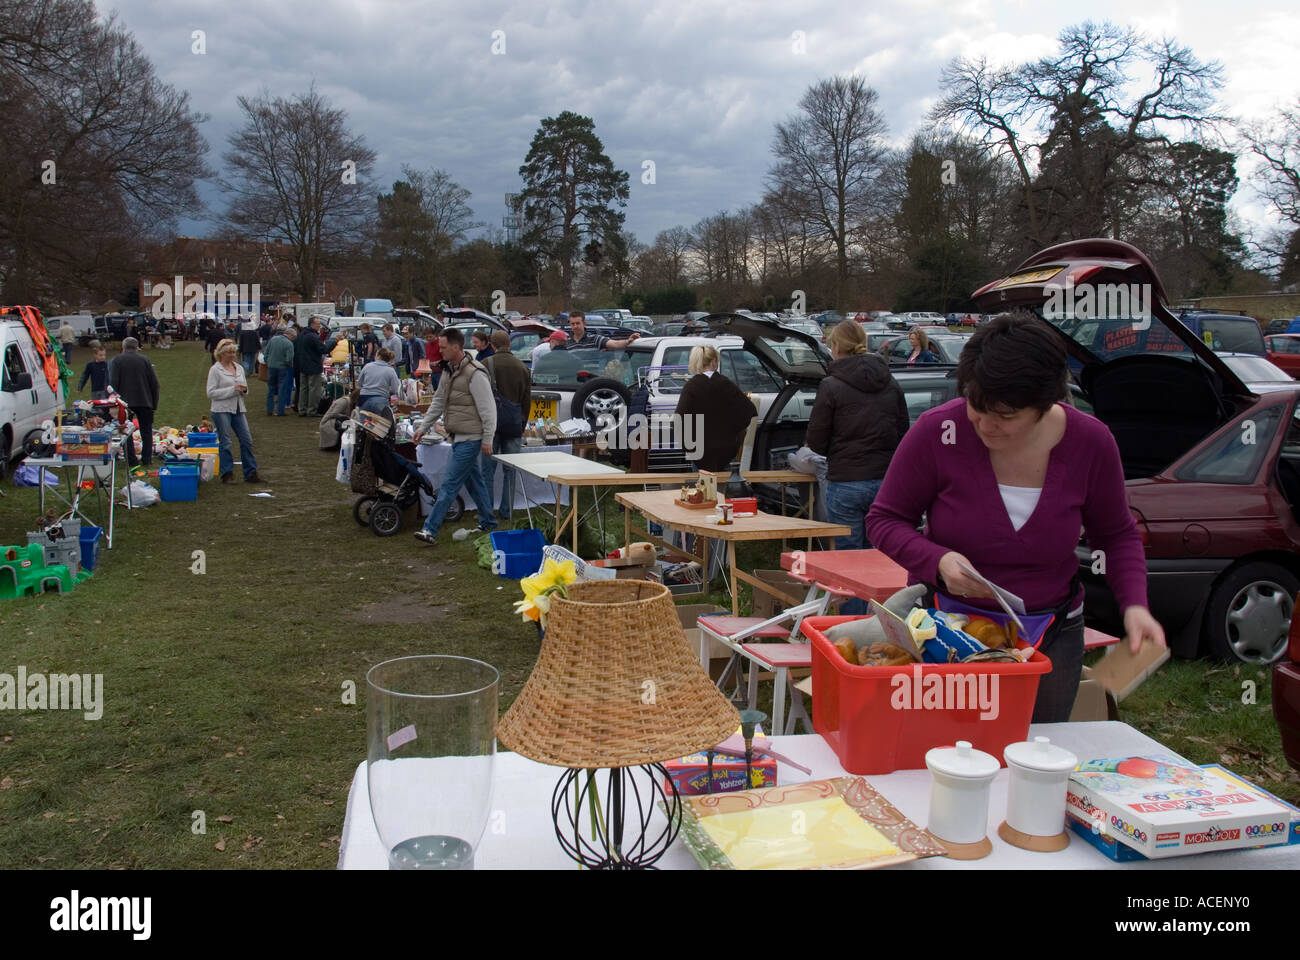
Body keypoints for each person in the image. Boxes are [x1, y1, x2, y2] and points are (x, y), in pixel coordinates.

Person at [865, 312, 1166, 723]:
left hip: (1052, 635)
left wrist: (1135, 604)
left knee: (1036, 751)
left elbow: (1115, 535)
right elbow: (884, 519)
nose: (987, 425)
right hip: (948, 631)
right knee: (946, 753)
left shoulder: (1091, 442)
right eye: (977, 407)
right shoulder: (940, 432)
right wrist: (937, 561)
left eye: (1006, 416)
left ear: (1046, 405)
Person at [806, 321, 908, 614]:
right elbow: (902, 429)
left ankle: (853, 627)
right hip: (885, 481)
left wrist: (837, 452)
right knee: (883, 558)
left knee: (850, 560)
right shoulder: (890, 381)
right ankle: (886, 624)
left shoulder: (831, 385)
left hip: (846, 481)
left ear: (835, 347)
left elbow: (816, 440)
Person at [412, 328, 497, 545]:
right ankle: (489, 521)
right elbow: (438, 401)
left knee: (449, 483)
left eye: (442, 347)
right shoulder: (449, 371)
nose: (439, 351)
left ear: (456, 347)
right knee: (474, 482)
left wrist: (488, 439)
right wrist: (423, 427)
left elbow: (488, 409)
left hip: (471, 438)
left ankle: (430, 529)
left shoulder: (475, 373)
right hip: (458, 437)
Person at [672, 344, 757, 473]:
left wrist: (688, 444)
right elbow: (749, 411)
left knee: (702, 489)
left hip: (698, 450)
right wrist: (735, 433)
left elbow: (678, 419)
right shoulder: (726, 383)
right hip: (726, 450)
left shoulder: (691, 386)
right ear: (714, 362)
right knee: (724, 490)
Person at [482, 330, 531, 523]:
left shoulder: (485, 365)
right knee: (511, 471)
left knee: (487, 471)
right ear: (509, 344)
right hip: (513, 424)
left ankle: (486, 511)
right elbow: (527, 401)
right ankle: (507, 510)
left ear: (492, 345)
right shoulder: (522, 367)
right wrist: (522, 423)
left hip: (490, 425)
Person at [207, 339, 262, 483]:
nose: (232, 355)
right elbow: (211, 393)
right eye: (228, 353)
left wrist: (244, 390)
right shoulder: (215, 369)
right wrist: (232, 389)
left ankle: (251, 472)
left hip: (238, 407)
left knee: (246, 440)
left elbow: (244, 387)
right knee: (225, 441)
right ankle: (227, 473)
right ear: (221, 354)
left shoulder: (239, 368)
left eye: (233, 352)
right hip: (221, 409)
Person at [108, 337, 160, 471]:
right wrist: (154, 403)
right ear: (137, 348)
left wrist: (114, 403)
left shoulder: (117, 360)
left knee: (126, 431)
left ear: (123, 347)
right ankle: (147, 458)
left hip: (125, 403)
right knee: (146, 430)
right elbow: (154, 384)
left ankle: (130, 459)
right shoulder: (145, 360)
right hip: (144, 400)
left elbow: (113, 383)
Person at [295, 317, 338, 417]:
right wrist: (335, 341)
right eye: (318, 324)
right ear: (312, 324)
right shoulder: (313, 336)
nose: (319, 326)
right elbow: (324, 349)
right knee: (314, 389)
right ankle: (312, 411)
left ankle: (302, 409)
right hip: (313, 366)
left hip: (302, 365)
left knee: (303, 389)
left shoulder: (301, 335)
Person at [263, 325, 296, 416]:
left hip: (271, 366)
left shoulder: (273, 339)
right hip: (283, 368)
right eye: (293, 337)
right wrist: (288, 365)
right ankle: (280, 411)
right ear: (290, 335)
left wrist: (268, 362)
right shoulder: (289, 344)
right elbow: (289, 358)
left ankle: (270, 409)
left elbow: (266, 353)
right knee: (282, 389)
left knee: (271, 389)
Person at [356, 348, 401, 414]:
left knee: (364, 422)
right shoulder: (390, 370)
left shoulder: (367, 366)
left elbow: (359, 384)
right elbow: (395, 389)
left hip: (364, 399)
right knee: (381, 422)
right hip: (380, 399)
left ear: (379, 356)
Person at [566, 311, 639, 351]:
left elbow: (615, 344)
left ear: (584, 323)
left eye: (578, 323)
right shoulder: (566, 342)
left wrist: (628, 341)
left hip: (593, 378)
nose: (575, 326)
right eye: (573, 324)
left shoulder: (594, 339)